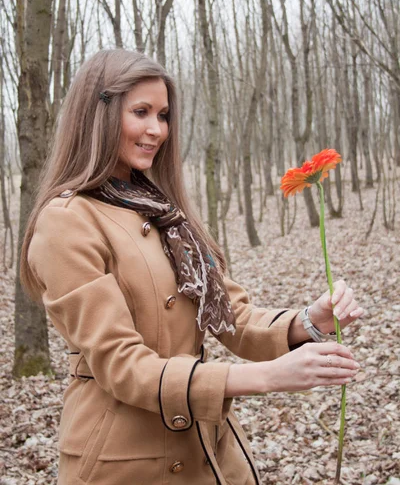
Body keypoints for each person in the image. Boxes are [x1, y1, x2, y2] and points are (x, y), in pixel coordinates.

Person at [20, 49, 363, 485]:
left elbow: (230, 317)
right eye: (140, 112)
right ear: (97, 115)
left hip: (207, 451)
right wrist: (264, 377)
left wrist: (308, 321)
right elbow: (121, 365)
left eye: (163, 115)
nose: (156, 130)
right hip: (124, 460)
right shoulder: (66, 221)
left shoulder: (165, 211)